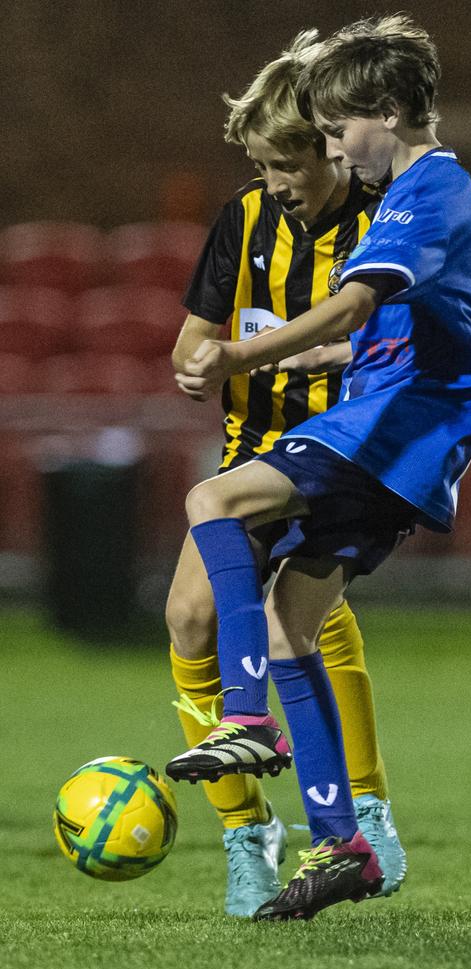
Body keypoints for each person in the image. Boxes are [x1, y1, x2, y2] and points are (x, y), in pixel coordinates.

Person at [166, 14, 471, 921]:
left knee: (213, 495)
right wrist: (325, 363)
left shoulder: (421, 193)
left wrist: (249, 357)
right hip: (394, 425)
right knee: (287, 626)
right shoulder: (410, 188)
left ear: (385, 112)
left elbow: (359, 303)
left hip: (391, 429)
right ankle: (343, 844)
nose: (323, 150)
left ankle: (244, 721)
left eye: (329, 134)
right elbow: (413, 322)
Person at [165, 32, 407, 919]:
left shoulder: (387, 217)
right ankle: (246, 831)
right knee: (189, 616)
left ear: (329, 149)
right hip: (256, 446)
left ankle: (365, 811)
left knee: (301, 616)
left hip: (350, 451)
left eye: (287, 164)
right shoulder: (244, 217)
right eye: (262, 166)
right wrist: (198, 364)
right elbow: (197, 336)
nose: (275, 183)